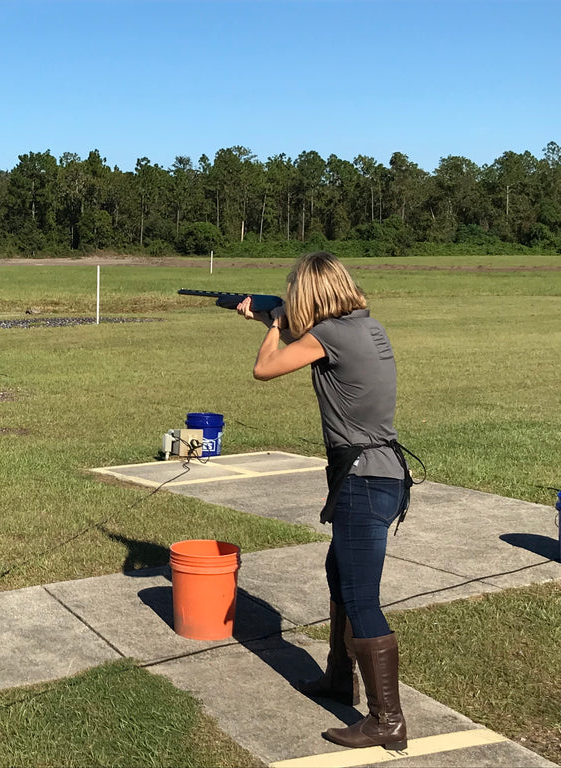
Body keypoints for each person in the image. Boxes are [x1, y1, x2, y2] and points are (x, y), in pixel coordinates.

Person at [237, 251, 412, 751]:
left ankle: (387, 720)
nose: (290, 298)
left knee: (361, 600)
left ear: (310, 295)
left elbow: (265, 369)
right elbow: (310, 345)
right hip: (379, 474)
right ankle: (339, 675)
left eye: (294, 292)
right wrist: (271, 318)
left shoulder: (329, 334)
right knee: (341, 575)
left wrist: (271, 322)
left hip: (362, 480)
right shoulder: (364, 327)